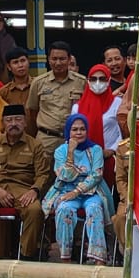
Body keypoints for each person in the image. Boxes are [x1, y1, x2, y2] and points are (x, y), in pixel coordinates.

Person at [0, 106, 50, 259]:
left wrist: (34, 190)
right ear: (3, 123)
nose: (13, 124)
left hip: (24, 190)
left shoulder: (35, 145)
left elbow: (43, 174)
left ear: (25, 123)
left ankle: (26, 256)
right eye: (9, 120)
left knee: (35, 211)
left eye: (18, 119)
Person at [42, 112, 110, 264]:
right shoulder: (60, 151)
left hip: (91, 192)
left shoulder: (96, 149)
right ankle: (65, 258)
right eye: (74, 129)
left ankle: (99, 259)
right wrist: (70, 153)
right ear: (68, 131)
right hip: (66, 190)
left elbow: (96, 175)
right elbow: (64, 176)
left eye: (82, 129)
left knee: (94, 209)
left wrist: (77, 191)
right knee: (64, 209)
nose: (79, 133)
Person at [26, 41, 84, 155]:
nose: (58, 63)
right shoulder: (38, 82)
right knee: (44, 166)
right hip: (46, 140)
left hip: (73, 139)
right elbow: (32, 111)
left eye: (62, 59)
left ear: (69, 59)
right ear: (48, 59)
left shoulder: (81, 82)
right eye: (54, 59)